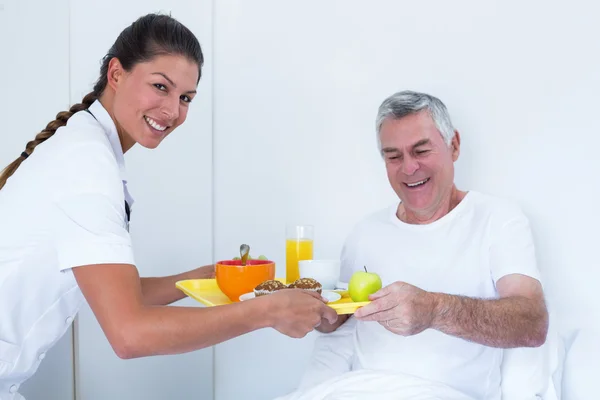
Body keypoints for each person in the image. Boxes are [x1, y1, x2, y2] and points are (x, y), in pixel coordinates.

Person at [0, 13, 337, 399]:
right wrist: (269, 312)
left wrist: (204, 278)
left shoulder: (85, 148)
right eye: (160, 86)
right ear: (116, 73)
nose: (173, 111)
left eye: (185, 98)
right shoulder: (85, 164)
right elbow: (130, 334)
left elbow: (117, 293)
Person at [288, 90, 549, 400]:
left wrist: (435, 310)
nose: (409, 168)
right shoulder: (365, 232)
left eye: (421, 151)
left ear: (454, 146)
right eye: (394, 156)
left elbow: (532, 323)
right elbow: (336, 324)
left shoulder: (498, 219)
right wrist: (313, 312)